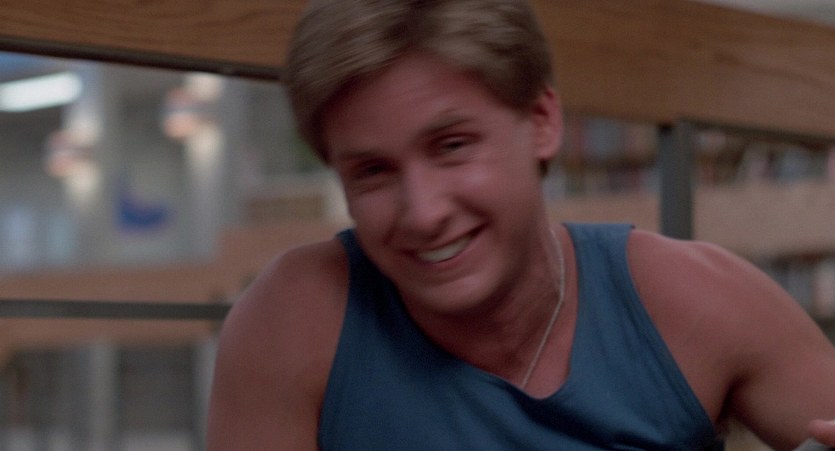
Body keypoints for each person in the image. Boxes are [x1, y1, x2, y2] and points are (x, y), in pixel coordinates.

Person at [206, 0, 835, 449]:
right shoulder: (293, 323)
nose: (423, 213)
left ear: (541, 122)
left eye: (452, 146)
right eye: (372, 171)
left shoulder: (692, 298)